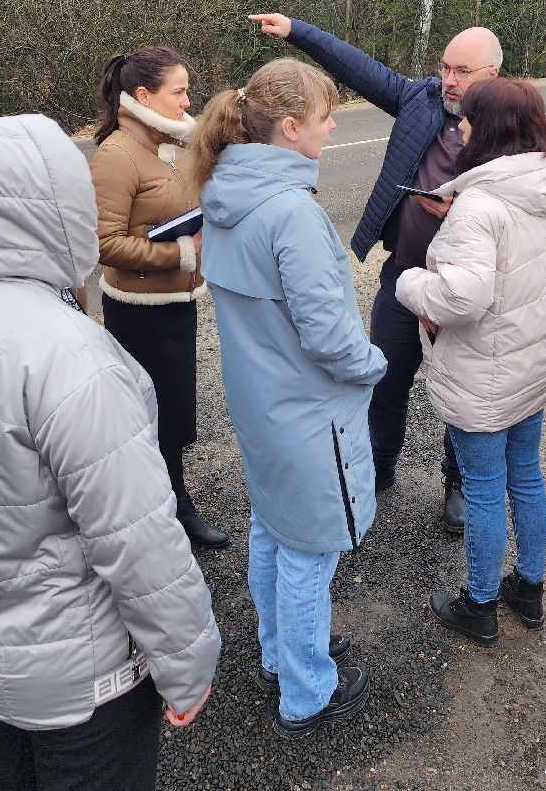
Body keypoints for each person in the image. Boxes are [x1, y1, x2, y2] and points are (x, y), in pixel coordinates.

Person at [0, 113, 221, 791]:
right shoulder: (72, 355)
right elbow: (137, 537)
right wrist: (189, 664)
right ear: (47, 205)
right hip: (81, 674)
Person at [190, 58, 386, 739]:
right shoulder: (289, 213)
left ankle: (281, 656)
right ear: (292, 128)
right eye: (327, 114)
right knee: (310, 549)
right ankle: (307, 692)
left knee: (272, 528)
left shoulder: (220, 193)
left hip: (260, 402)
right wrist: (375, 362)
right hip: (307, 412)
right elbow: (330, 338)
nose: (335, 125)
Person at [248, 11, 502, 533]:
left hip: (464, 287)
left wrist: (461, 210)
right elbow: (357, 67)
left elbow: (522, 205)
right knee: (385, 377)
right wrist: (298, 30)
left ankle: (457, 481)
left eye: (463, 72)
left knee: (458, 388)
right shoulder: (420, 99)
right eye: (445, 67)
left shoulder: (507, 125)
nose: (449, 80)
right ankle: (377, 463)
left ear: (492, 76)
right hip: (402, 277)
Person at [394, 79, 546, 646]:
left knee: (482, 485)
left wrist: (411, 283)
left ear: (490, 129)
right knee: (526, 473)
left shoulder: (480, 204)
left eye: (467, 120)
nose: (460, 128)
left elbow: (462, 297)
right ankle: (530, 587)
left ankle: (479, 604)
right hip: (533, 358)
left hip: (484, 371)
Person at [88, 45, 226, 549]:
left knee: (173, 410)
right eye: (180, 92)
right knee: (153, 414)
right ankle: (166, 510)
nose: (189, 102)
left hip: (175, 304)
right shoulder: (116, 155)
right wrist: (182, 253)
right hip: (139, 312)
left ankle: (169, 500)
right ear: (142, 95)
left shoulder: (167, 147)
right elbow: (103, 243)